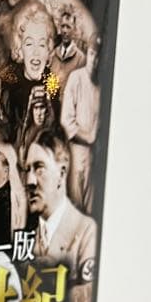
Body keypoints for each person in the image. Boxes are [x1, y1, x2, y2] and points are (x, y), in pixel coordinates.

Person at [24, 132, 96, 283]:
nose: (30, 181)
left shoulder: (87, 232)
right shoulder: (28, 237)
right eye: (27, 170)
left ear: (61, 174)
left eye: (39, 169)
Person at [60, 37, 101, 213]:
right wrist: (89, 138)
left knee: (91, 211)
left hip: (95, 157)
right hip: (76, 152)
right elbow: (66, 121)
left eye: (98, 56)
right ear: (87, 54)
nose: (94, 60)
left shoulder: (102, 85)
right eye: (92, 54)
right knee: (75, 208)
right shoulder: (76, 78)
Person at [8, 0, 58, 129]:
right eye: (29, 44)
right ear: (19, 49)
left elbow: (55, 123)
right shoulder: (11, 81)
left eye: (42, 45)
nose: (36, 52)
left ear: (49, 50)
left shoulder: (52, 82)